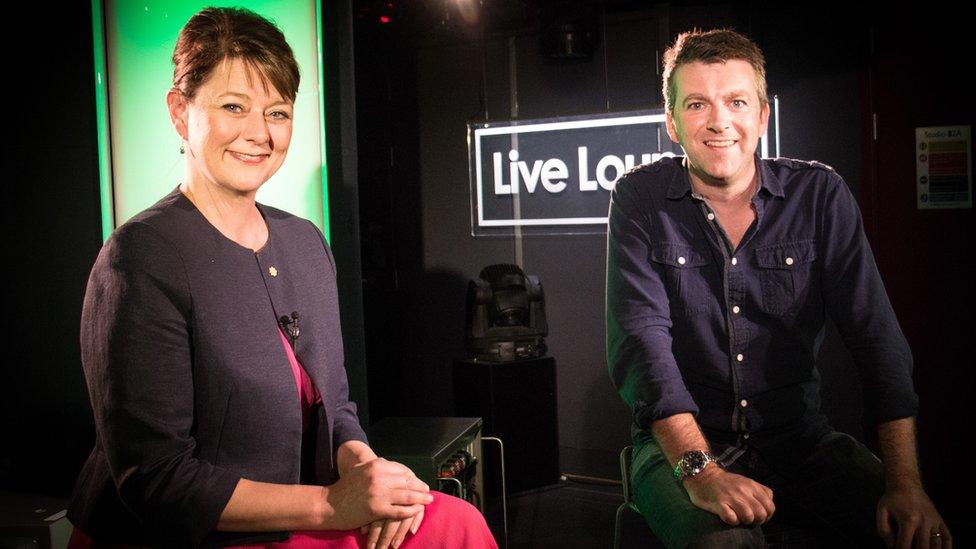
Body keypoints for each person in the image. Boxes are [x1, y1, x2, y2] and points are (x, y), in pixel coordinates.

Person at [68, 7, 496, 549]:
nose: (259, 134)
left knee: (454, 522)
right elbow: (157, 479)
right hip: (194, 534)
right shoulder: (139, 256)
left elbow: (338, 409)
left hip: (301, 513)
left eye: (277, 112)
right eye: (233, 107)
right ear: (181, 112)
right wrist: (330, 505)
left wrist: (367, 473)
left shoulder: (305, 242)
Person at [606, 29, 951, 549]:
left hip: (801, 442)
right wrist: (702, 474)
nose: (719, 121)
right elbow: (641, 346)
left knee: (915, 532)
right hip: (683, 448)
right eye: (697, 104)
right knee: (724, 546)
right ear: (672, 123)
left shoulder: (820, 195)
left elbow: (877, 340)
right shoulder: (638, 197)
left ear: (762, 116)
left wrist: (906, 484)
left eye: (736, 101)